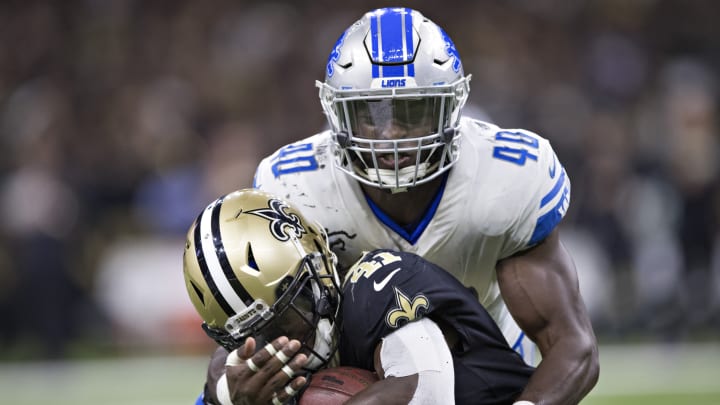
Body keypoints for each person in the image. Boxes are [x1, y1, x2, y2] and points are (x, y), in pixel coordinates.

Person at [204, 6, 599, 405]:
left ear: (451, 108)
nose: (390, 132)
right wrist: (224, 392)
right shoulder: (298, 188)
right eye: (369, 113)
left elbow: (572, 342)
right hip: (357, 370)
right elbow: (255, 324)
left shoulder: (504, 178)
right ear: (337, 113)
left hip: (487, 375)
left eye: (411, 111)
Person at [184, 189, 535, 404]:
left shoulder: (375, 290)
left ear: (316, 267)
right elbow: (219, 379)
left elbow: (428, 393)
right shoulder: (254, 365)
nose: (284, 342)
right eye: (259, 335)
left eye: (287, 316)